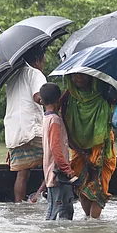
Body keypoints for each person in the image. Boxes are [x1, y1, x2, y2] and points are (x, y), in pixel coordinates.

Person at [60, 72, 117, 219]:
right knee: (82, 188)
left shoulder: (103, 93)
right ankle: (89, 225)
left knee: (100, 189)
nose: (78, 79)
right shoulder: (67, 98)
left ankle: (94, 225)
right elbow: (66, 131)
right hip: (79, 150)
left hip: (102, 148)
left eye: (82, 75)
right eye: (74, 75)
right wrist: (83, 154)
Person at [4, 45, 47, 203]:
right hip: (32, 130)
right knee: (55, 163)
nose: (43, 64)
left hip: (14, 133)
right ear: (37, 60)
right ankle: (37, 197)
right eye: (43, 61)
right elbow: (38, 97)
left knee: (22, 173)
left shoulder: (13, 77)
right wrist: (53, 104)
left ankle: (18, 204)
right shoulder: (35, 74)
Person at [40, 83, 78, 220]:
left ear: (41, 101)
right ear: (58, 101)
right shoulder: (55, 121)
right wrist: (67, 169)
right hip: (58, 174)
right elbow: (56, 149)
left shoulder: (46, 119)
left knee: (65, 209)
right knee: (55, 211)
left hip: (53, 173)